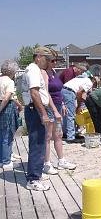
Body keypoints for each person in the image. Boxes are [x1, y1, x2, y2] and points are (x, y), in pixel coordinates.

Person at [22, 46, 62, 191]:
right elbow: (34, 93)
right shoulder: (33, 70)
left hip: (34, 109)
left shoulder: (33, 69)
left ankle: (36, 174)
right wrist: (44, 114)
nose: (48, 62)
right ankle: (33, 180)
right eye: (46, 59)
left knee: (38, 143)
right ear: (38, 57)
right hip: (36, 110)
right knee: (38, 144)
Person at [42, 57, 76, 175]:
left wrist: (62, 104)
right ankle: (47, 164)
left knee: (58, 135)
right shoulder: (44, 73)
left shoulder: (54, 72)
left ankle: (61, 161)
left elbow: (58, 90)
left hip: (58, 105)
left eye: (56, 60)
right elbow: (46, 93)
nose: (55, 62)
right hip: (49, 107)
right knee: (48, 136)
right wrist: (55, 110)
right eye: (52, 61)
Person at [61, 75, 93, 143]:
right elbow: (79, 92)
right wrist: (79, 105)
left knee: (66, 113)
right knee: (71, 115)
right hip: (70, 92)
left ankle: (65, 133)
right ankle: (71, 137)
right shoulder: (89, 82)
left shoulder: (81, 79)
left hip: (63, 90)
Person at [0, 59, 20, 169]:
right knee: (7, 134)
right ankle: (6, 161)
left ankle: (1, 158)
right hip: (6, 107)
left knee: (1, 134)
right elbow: (7, 97)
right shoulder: (9, 81)